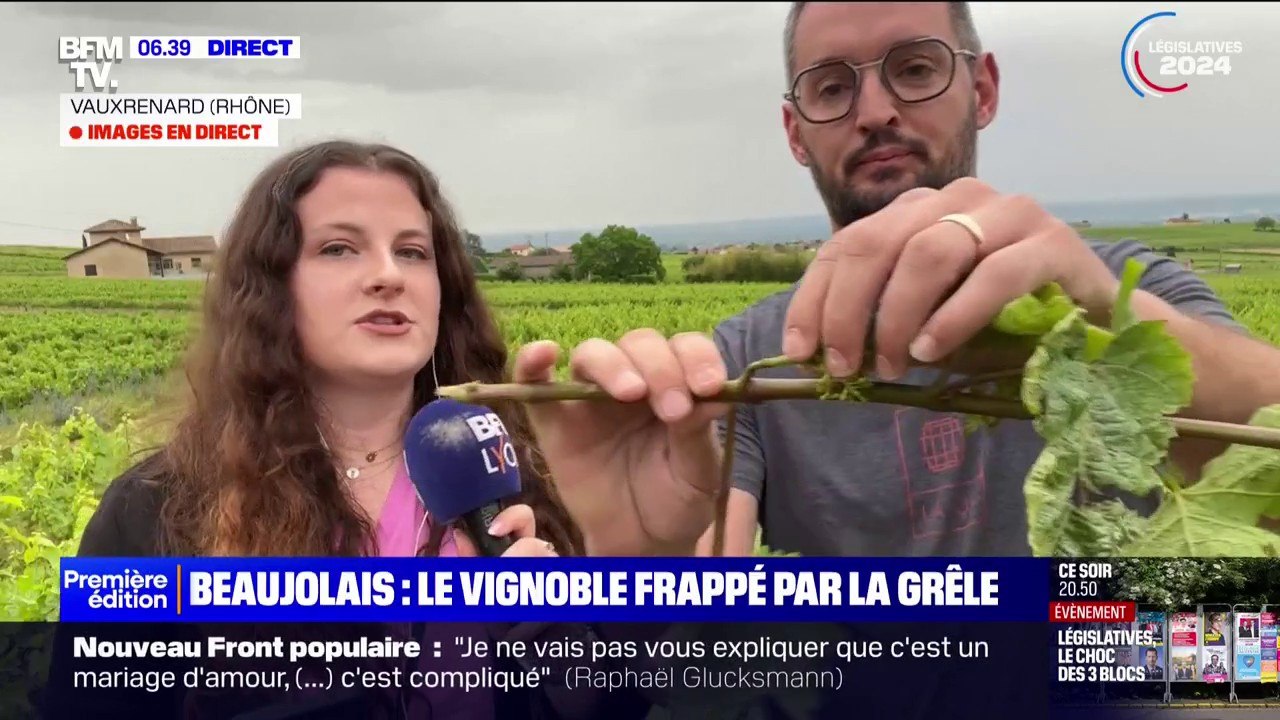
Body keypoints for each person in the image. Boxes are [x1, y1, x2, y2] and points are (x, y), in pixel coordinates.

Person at [567, 1, 1280, 558]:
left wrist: (1101, 325)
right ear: (795, 131)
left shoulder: (1118, 288)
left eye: (914, 68)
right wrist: (634, 565)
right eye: (832, 86)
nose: (875, 112)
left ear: (984, 88)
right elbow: (707, 628)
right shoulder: (751, 361)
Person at [56, 139, 729, 719]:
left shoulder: (530, 478)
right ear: (270, 288)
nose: (387, 276)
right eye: (340, 248)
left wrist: (631, 579)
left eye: (413, 252)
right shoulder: (154, 512)